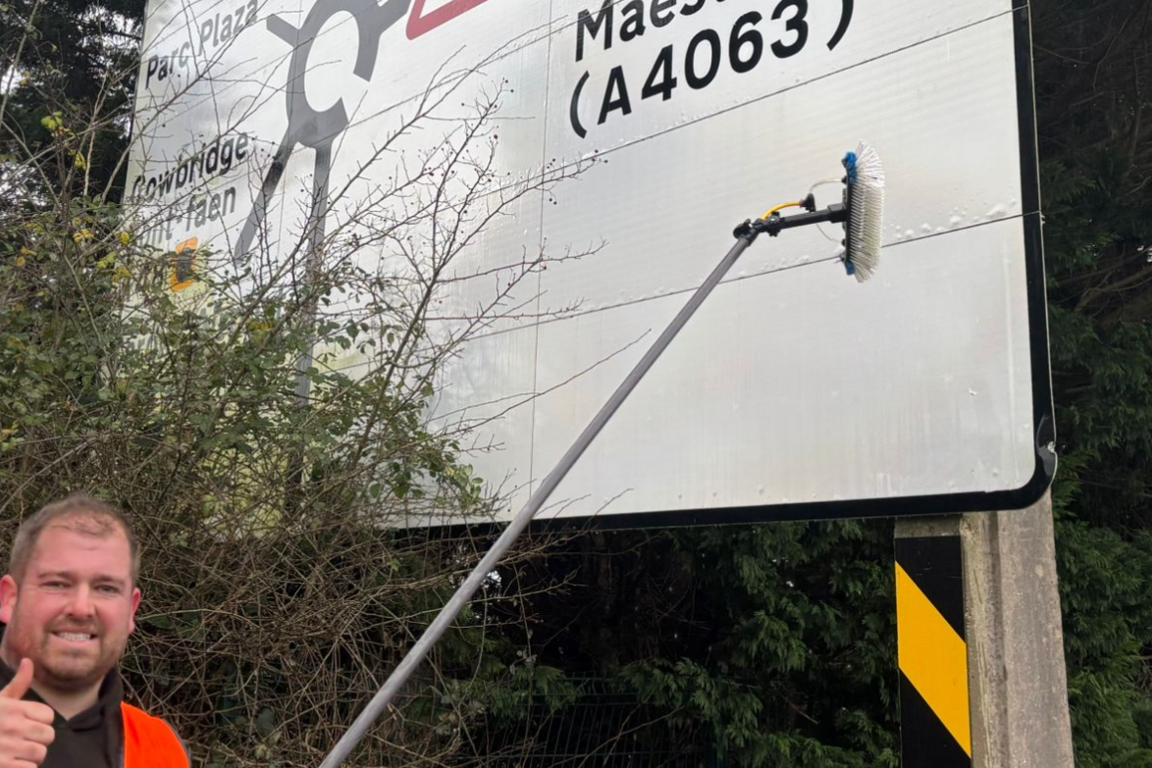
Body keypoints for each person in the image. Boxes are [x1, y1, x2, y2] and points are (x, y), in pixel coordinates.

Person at [0, 494, 189, 767]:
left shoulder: (160, 748)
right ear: (9, 599)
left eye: (106, 589)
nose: (81, 608)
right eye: (57, 584)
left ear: (131, 611)